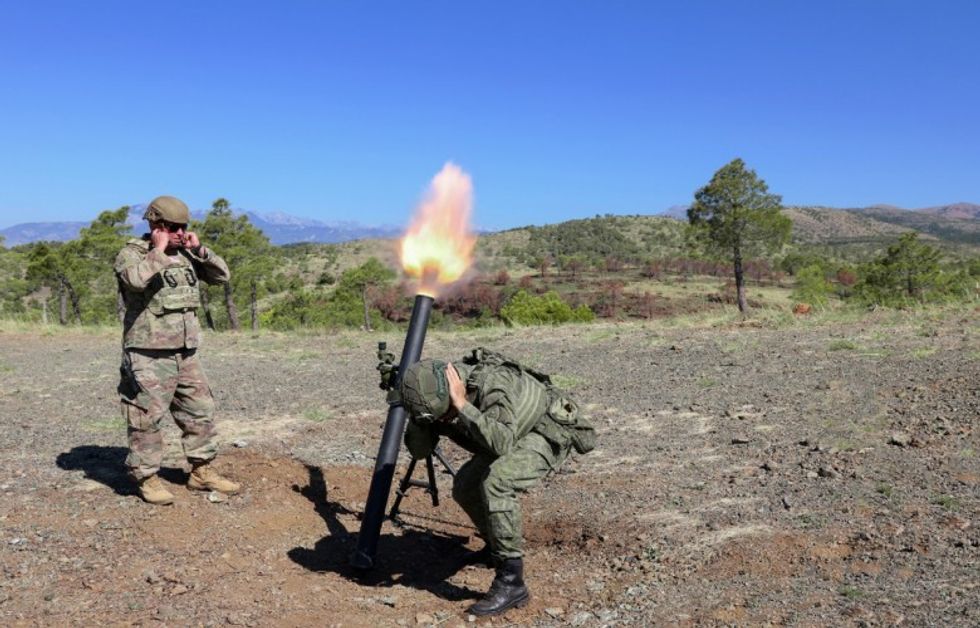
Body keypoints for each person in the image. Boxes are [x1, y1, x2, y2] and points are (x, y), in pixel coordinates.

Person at [398, 349, 595, 616]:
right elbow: (420, 451)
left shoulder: (493, 383)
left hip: (544, 429)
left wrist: (461, 406)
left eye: (444, 415)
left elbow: (501, 443)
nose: (444, 421)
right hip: (509, 432)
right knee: (465, 486)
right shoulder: (433, 397)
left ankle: (512, 581)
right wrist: (420, 418)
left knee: (497, 482)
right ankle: (495, 547)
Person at [115, 195, 240, 505]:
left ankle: (201, 471)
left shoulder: (187, 254)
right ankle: (147, 478)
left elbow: (222, 276)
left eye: (183, 227)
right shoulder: (133, 254)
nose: (179, 233)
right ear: (156, 225)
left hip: (185, 351)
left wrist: (198, 249)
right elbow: (134, 280)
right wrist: (157, 251)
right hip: (147, 352)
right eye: (173, 227)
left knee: (200, 411)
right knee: (147, 417)